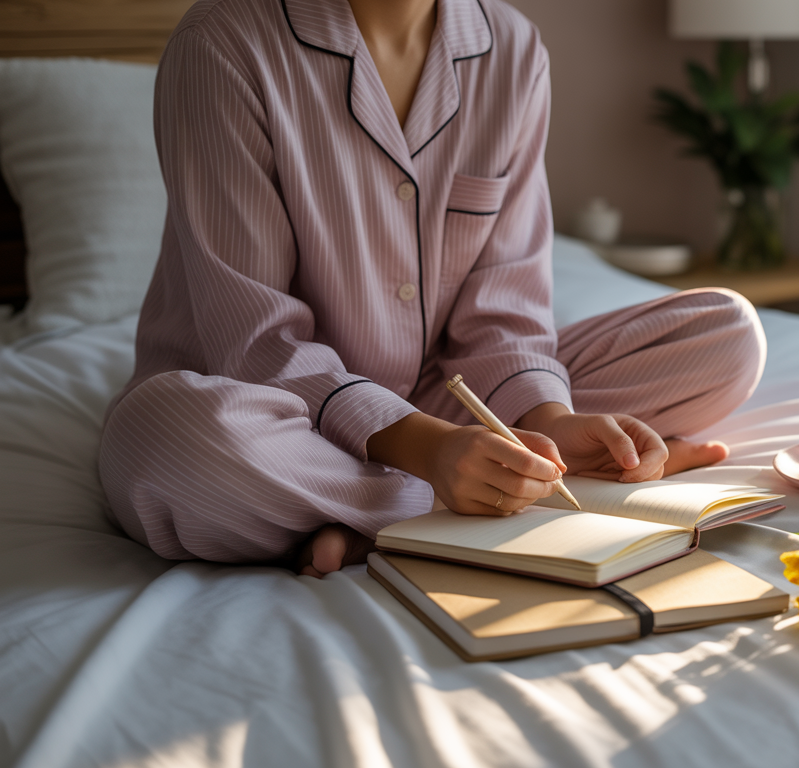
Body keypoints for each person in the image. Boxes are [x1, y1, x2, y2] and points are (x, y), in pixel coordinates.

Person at [98, 0, 765, 578]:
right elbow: (257, 342)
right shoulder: (222, 44)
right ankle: (453, 495)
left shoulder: (513, 49)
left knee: (727, 334)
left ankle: (413, 498)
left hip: (445, 392)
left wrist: (552, 424)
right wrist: (431, 452)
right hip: (267, 401)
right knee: (169, 443)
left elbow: (505, 309)